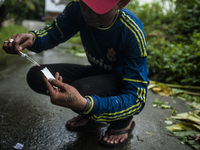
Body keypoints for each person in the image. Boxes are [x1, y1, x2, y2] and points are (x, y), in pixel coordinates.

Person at [3, 0, 149, 148]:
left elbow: (136, 98)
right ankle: (90, 112)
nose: (88, 13)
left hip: (120, 81)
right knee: (37, 75)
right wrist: (33, 38)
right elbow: (54, 33)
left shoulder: (131, 31)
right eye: (85, 4)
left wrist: (86, 105)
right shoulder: (76, 9)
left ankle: (123, 122)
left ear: (121, 4)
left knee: (81, 93)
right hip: (96, 71)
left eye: (98, 9)